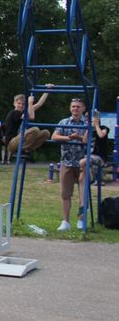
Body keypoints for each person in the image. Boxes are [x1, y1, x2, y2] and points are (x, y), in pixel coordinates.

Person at [52, 98, 89, 232]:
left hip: (82, 163)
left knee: (83, 193)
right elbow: (54, 136)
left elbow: (88, 141)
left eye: (78, 107)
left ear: (83, 109)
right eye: (73, 106)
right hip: (66, 162)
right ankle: (66, 221)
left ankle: (81, 220)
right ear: (70, 108)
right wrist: (68, 138)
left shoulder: (87, 123)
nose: (75, 109)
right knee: (65, 194)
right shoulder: (64, 122)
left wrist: (78, 138)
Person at [77, 111, 111, 226]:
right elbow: (85, 141)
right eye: (87, 120)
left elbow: (102, 135)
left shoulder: (103, 128)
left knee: (82, 162)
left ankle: (90, 178)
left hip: (99, 158)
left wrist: (96, 125)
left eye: (91, 120)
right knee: (82, 178)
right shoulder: (89, 130)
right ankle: (83, 208)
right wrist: (88, 128)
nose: (89, 122)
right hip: (89, 159)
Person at [1, 89, 51, 164]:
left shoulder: (23, 112)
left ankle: (27, 150)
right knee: (35, 129)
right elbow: (31, 117)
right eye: (19, 103)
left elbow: (39, 104)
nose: (21, 105)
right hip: (11, 143)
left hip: (20, 140)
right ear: (14, 103)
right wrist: (30, 103)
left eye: (23, 104)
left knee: (46, 133)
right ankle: (23, 151)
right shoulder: (14, 113)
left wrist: (47, 90)